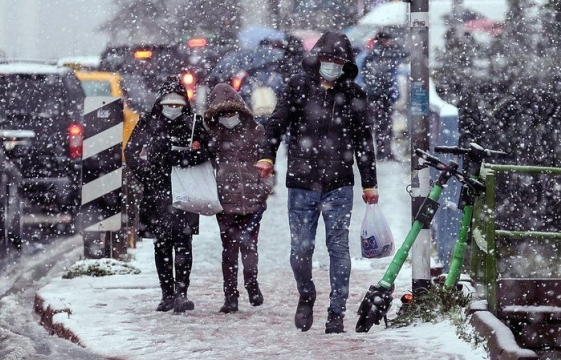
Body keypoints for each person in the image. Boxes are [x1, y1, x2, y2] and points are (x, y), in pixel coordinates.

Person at [255, 31, 379, 334]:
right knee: (300, 249)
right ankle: (306, 294)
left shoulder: (354, 94)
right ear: (318, 58)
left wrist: (369, 182)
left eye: (338, 60)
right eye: (328, 58)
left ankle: (336, 311)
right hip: (301, 182)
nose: (332, 65)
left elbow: (364, 142)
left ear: (345, 63)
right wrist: (266, 157)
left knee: (338, 247)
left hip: (339, 183)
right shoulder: (297, 86)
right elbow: (277, 123)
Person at [125, 75, 211, 313]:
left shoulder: (193, 123)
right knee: (162, 244)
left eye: (177, 104)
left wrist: (184, 157)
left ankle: (182, 293)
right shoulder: (149, 122)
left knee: (184, 242)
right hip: (157, 192)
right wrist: (147, 174)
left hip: (185, 190)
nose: (172, 109)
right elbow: (130, 151)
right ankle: (167, 294)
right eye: (168, 104)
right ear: (160, 103)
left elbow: (209, 150)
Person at [204, 83, 274, 314]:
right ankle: (230, 295)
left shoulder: (255, 130)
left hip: (253, 198)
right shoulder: (212, 135)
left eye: (231, 112)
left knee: (250, 246)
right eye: (222, 114)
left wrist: (263, 189)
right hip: (225, 201)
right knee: (229, 249)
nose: (228, 117)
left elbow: (268, 161)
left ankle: (252, 283)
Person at [360, 31, 407, 161]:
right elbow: (384, 75)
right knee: (384, 125)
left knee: (379, 124)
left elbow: (367, 76)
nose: (390, 43)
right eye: (388, 40)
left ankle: (382, 152)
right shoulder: (382, 55)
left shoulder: (371, 55)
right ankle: (384, 152)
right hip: (382, 96)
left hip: (376, 96)